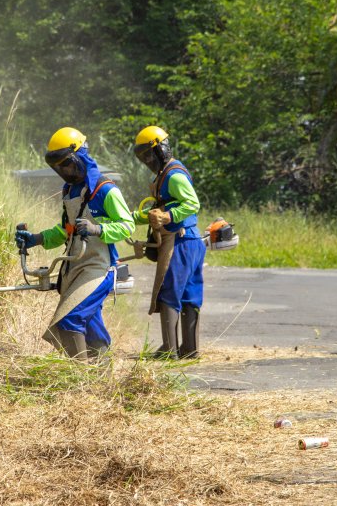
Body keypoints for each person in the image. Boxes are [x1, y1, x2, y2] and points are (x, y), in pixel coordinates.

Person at [16, 127, 135, 360]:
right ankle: (103, 372)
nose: (65, 171)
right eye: (59, 167)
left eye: (67, 164)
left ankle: (80, 380)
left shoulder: (105, 190)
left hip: (99, 269)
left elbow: (127, 225)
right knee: (90, 324)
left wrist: (98, 229)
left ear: (80, 156)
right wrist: (38, 239)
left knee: (69, 319)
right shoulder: (69, 190)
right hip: (75, 267)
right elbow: (66, 231)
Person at [132, 125, 206, 359]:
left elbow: (192, 204)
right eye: (142, 156)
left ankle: (170, 350)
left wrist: (169, 216)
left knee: (168, 293)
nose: (146, 160)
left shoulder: (173, 175)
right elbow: (158, 210)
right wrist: (132, 218)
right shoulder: (165, 174)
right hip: (192, 241)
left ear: (160, 150)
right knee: (189, 295)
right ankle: (190, 349)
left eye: (148, 154)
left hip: (181, 242)